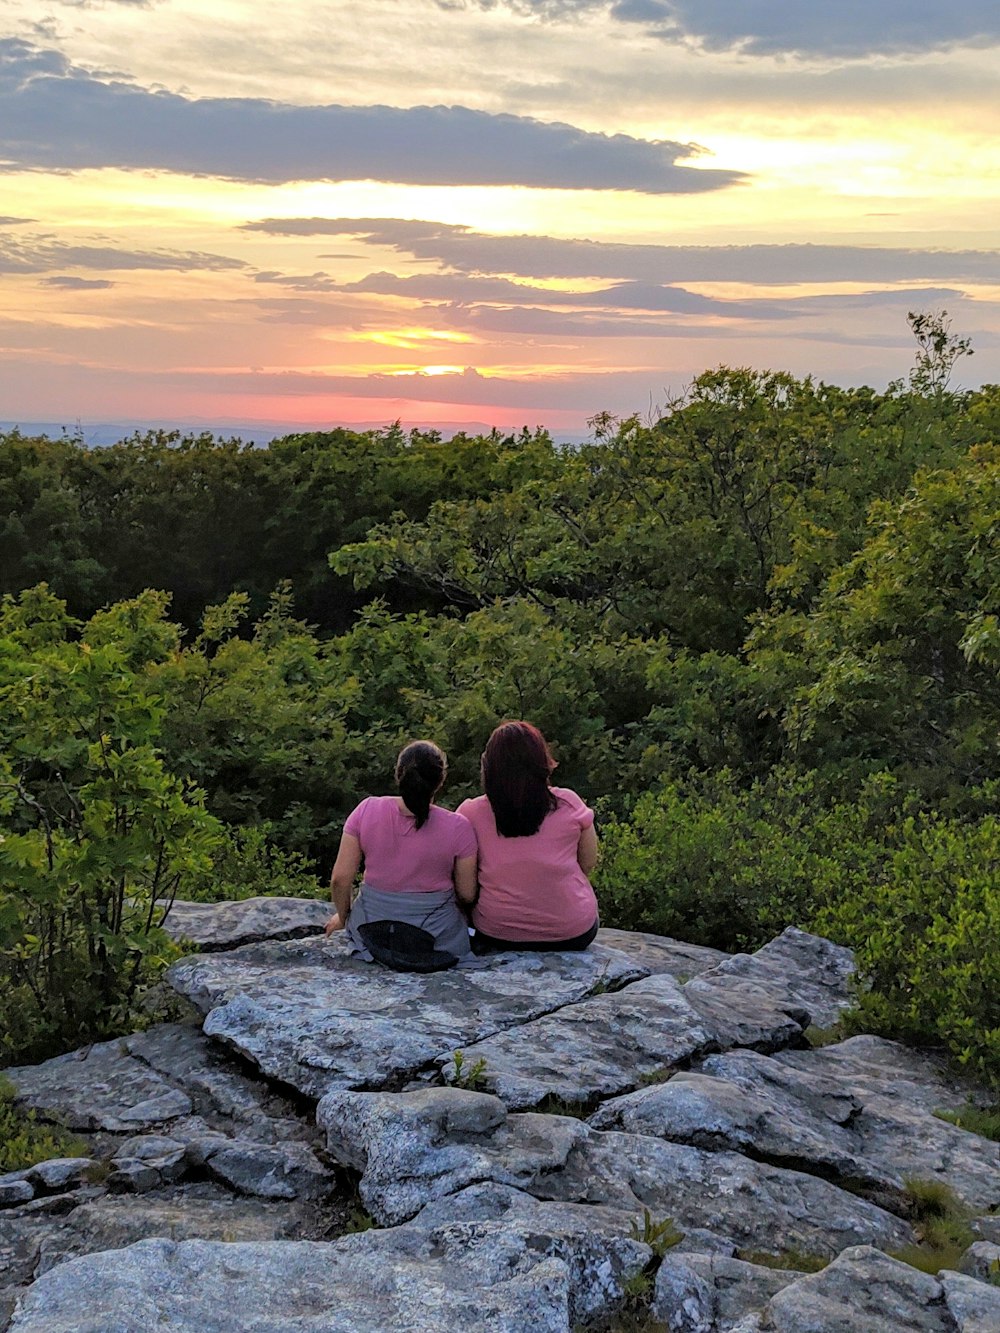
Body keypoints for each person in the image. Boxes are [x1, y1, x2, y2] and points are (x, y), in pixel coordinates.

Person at [325, 740, 477, 962]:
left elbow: (340, 880)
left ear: (398, 774)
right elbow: (467, 893)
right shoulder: (459, 826)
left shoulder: (366, 809)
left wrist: (343, 916)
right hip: (437, 936)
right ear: (440, 780)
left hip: (372, 930)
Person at [457, 721, 599, 952]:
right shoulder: (569, 804)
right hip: (572, 932)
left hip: (497, 932)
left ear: (489, 766)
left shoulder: (470, 814)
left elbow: (465, 888)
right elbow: (587, 863)